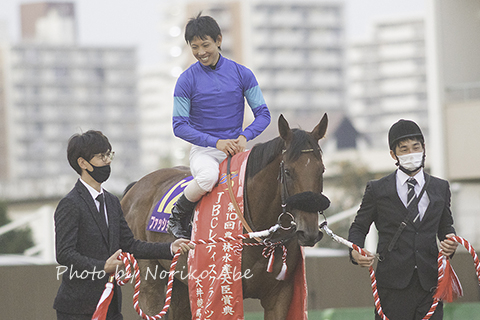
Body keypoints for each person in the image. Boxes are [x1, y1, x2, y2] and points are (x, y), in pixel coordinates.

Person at [53, 130, 193, 320]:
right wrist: (103, 266)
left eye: (109, 155)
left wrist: (170, 247)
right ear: (83, 163)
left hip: (111, 306)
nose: (108, 161)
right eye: (101, 156)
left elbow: (131, 245)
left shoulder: (111, 202)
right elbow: (64, 254)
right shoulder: (70, 204)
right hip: (77, 309)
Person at [168, 14, 271, 239]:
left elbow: (263, 114)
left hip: (237, 150)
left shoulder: (242, 73)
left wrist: (244, 137)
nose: (201, 52)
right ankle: (177, 215)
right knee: (207, 178)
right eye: (194, 47)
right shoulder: (186, 80)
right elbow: (179, 126)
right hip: (205, 151)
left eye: (205, 45)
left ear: (219, 40)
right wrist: (216, 142)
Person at [348, 119, 458, 320]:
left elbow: (446, 226)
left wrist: (451, 241)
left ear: (424, 148)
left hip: (430, 283)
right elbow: (359, 227)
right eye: (404, 149)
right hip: (392, 285)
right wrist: (355, 251)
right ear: (393, 154)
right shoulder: (377, 189)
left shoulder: (440, 188)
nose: (411, 153)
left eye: (416, 147)